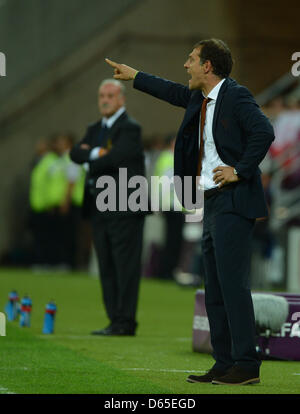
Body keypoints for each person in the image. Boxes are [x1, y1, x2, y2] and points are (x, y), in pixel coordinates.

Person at [105, 38, 275, 384]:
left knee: (232, 285)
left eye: (191, 59)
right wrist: (135, 76)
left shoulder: (236, 96)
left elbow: (264, 131)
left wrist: (239, 169)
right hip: (212, 201)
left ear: (208, 66)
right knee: (213, 287)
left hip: (234, 198)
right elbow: (169, 91)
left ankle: (246, 363)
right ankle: (224, 362)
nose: (186, 65)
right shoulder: (199, 98)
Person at [70, 79, 146, 336]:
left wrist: (90, 154)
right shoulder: (95, 128)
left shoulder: (130, 128)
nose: (105, 99)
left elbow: (116, 157)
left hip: (124, 204)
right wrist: (97, 154)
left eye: (111, 95)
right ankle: (114, 319)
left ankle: (125, 321)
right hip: (98, 205)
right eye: (102, 95)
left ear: (122, 99)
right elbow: (74, 154)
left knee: (124, 265)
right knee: (106, 264)